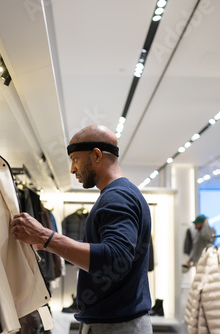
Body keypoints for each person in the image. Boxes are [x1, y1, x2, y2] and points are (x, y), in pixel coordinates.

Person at [11, 125, 153, 334]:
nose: (72, 169)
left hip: (116, 327)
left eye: (75, 159)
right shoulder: (121, 194)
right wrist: (50, 243)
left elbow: (116, 259)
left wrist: (47, 237)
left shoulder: (118, 197)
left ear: (96, 155)